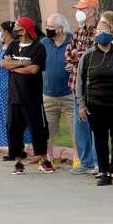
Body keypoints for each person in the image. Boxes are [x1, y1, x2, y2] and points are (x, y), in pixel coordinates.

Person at [76, 24, 113, 186]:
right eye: (98, 32)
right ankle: (104, 171)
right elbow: (79, 81)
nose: (101, 34)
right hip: (95, 104)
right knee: (100, 139)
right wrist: (81, 105)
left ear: (112, 34)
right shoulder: (88, 56)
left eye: (105, 31)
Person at [1, 16, 53, 174]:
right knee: (13, 129)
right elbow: (3, 64)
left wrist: (13, 66)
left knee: (38, 130)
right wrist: (22, 63)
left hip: (32, 98)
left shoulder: (38, 47)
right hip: (14, 97)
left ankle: (44, 160)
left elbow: (34, 70)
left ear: (24, 30)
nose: (15, 29)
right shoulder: (13, 45)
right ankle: (18, 161)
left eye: (17, 26)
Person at [64, 0, 100, 175]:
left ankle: (97, 162)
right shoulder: (79, 31)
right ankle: (85, 162)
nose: (79, 12)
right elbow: (69, 53)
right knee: (81, 127)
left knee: (94, 125)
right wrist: (77, 57)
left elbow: (92, 56)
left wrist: (78, 58)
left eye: (82, 9)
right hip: (75, 85)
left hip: (92, 86)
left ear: (92, 11)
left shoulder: (99, 30)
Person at [39, 13, 73, 166]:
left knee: (76, 131)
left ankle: (79, 160)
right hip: (48, 94)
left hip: (69, 94)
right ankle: (49, 159)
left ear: (61, 28)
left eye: (51, 28)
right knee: (47, 132)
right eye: (47, 27)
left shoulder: (73, 41)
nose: (48, 30)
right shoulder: (44, 42)